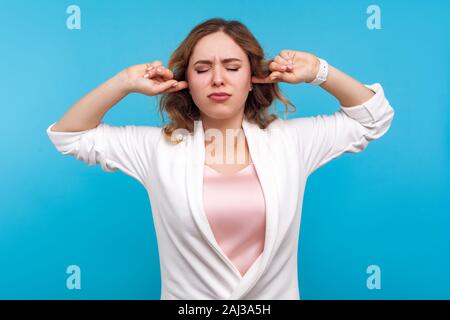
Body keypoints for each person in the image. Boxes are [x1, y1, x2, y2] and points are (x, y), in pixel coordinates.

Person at [46, 18, 395, 300]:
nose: (217, 79)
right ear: (186, 82)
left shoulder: (290, 142)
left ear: (252, 79)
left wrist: (319, 70)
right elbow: (69, 135)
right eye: (202, 69)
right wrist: (124, 82)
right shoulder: (158, 149)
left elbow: (374, 118)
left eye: (231, 67)